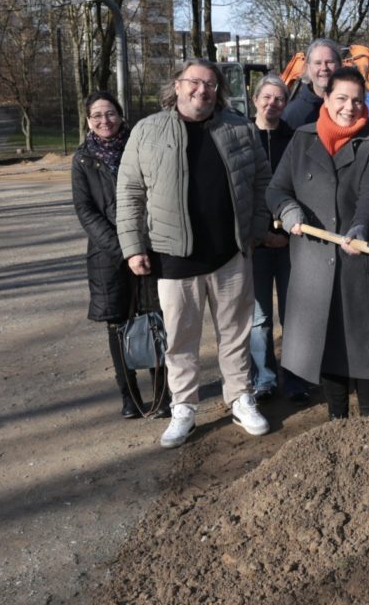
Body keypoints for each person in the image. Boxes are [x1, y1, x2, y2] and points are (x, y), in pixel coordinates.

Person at [116, 60, 273, 449]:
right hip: (175, 258)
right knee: (180, 340)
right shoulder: (147, 131)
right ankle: (184, 406)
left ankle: (239, 397)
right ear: (178, 85)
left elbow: (261, 181)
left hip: (230, 254)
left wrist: (255, 231)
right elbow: (130, 193)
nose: (202, 90)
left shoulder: (238, 129)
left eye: (210, 84)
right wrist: (133, 247)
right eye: (194, 82)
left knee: (235, 334)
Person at [267, 66, 369, 419]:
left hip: (359, 262)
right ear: (325, 99)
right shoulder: (301, 139)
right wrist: (288, 209)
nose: (349, 107)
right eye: (341, 98)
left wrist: (361, 228)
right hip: (314, 265)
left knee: (366, 349)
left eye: (358, 101)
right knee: (327, 346)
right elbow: (276, 188)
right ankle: (337, 423)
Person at [72, 91, 170, 419]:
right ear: (88, 121)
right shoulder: (83, 159)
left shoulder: (140, 146)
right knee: (118, 326)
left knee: (154, 320)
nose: (105, 121)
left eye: (110, 113)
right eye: (97, 115)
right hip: (107, 256)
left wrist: (138, 244)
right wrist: (122, 248)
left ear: (120, 114)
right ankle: (129, 396)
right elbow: (85, 211)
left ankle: (162, 394)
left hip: (147, 248)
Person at [248, 75, 309, 402]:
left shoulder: (295, 138)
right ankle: (264, 380)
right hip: (255, 245)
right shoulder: (242, 137)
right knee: (258, 319)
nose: (272, 104)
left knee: (293, 314)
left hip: (290, 242)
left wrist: (287, 231)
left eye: (279, 98)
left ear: (286, 103)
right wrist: (260, 235)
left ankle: (297, 380)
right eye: (266, 97)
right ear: (256, 99)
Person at [282, 38, 341, 129]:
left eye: (329, 62)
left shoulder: (352, 109)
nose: (324, 68)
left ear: (339, 65)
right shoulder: (292, 114)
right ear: (308, 68)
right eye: (318, 63)